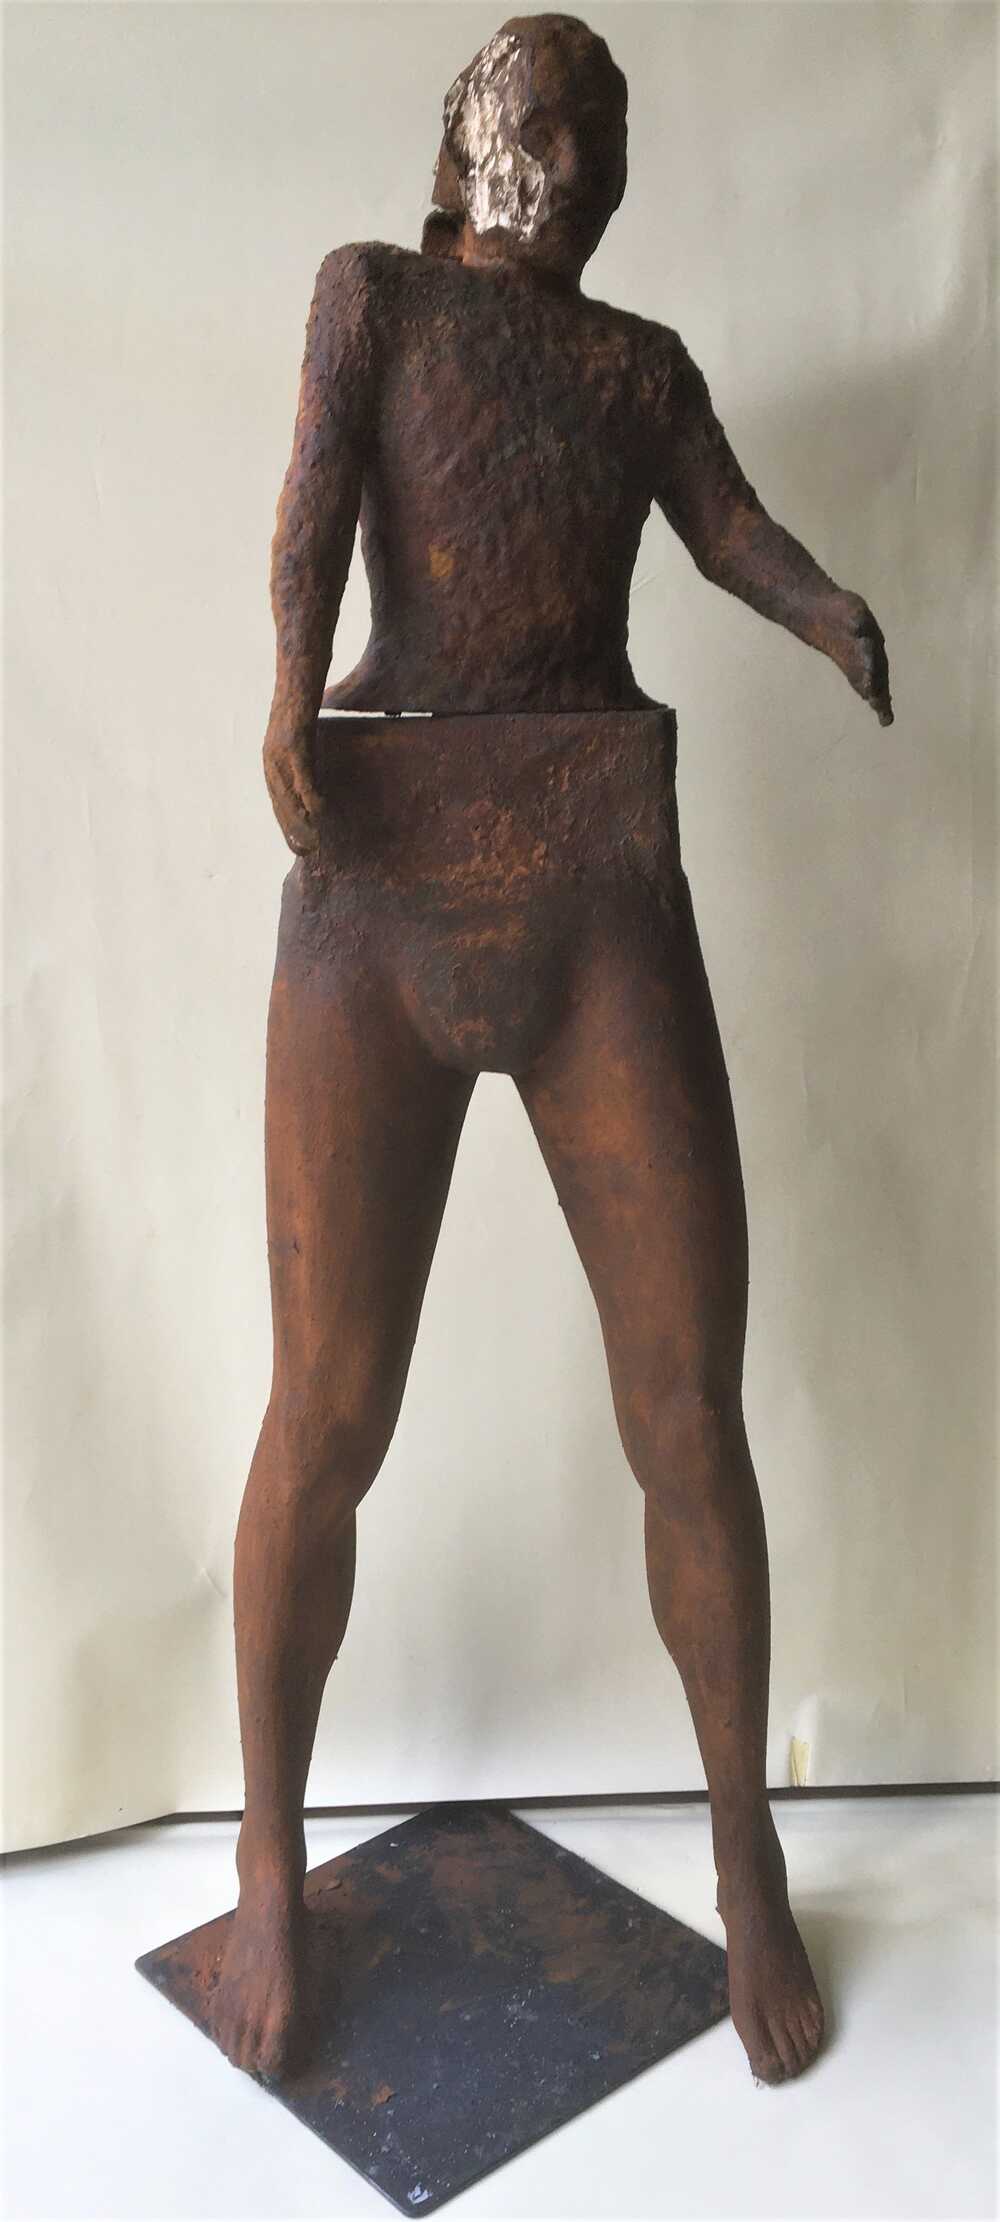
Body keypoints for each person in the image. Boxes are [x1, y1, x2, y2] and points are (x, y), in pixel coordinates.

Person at [211, 13, 893, 2086]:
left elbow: (725, 523)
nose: (577, 153)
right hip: (381, 879)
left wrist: (820, 605)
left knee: (687, 1407)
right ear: (472, 145)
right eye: (545, 116)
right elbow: (312, 505)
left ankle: (743, 1848)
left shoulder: (634, 368)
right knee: (328, 1410)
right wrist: (284, 687)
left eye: (603, 126)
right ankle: (266, 1846)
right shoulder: (375, 296)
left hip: (596, 877)